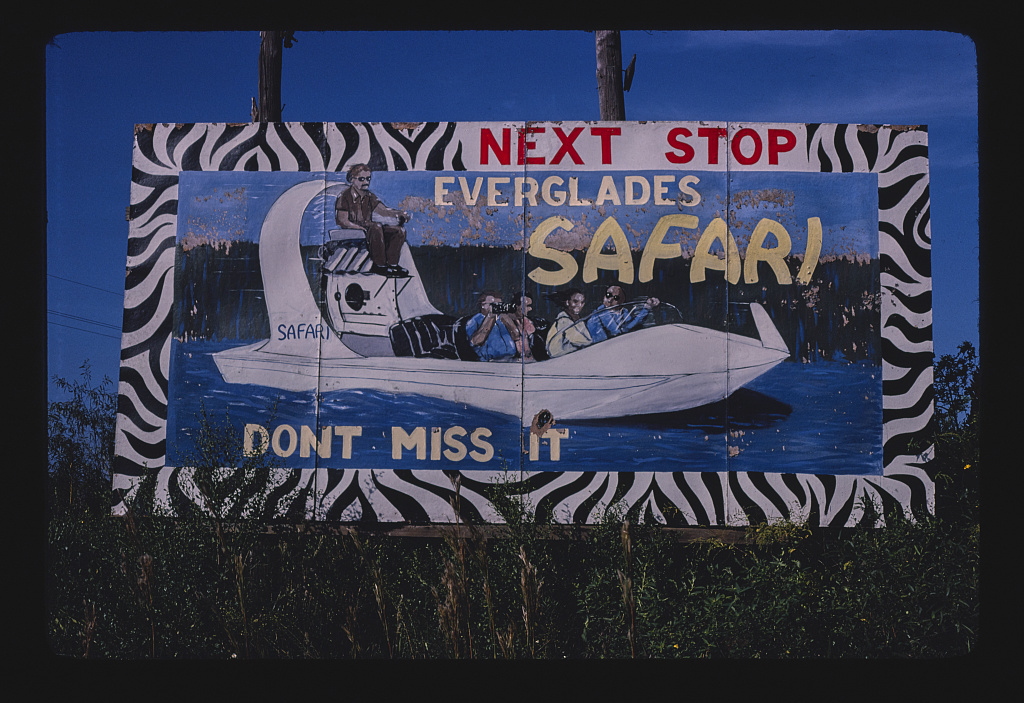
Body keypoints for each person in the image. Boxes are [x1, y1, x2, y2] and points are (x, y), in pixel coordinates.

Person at [335, 163, 412, 277]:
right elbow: (342, 221)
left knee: (399, 231)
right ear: (352, 179)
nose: (366, 182)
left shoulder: (369, 196)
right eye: (361, 179)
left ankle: (393, 265)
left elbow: (383, 210)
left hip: (369, 227)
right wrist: (360, 228)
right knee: (376, 227)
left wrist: (399, 213)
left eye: (368, 179)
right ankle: (379, 265)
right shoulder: (344, 196)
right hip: (352, 228)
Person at [586, 285, 660, 344]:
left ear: (622, 301)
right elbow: (602, 340)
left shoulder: (623, 311)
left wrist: (647, 308)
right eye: (608, 295)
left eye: (615, 297)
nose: (610, 300)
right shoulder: (597, 315)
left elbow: (630, 326)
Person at [465, 291, 517, 361]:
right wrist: (490, 317)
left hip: (510, 358)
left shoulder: (502, 318)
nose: (497, 307)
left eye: (500, 304)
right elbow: (476, 341)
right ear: (483, 305)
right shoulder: (475, 320)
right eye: (494, 305)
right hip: (489, 360)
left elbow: (516, 336)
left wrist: (509, 322)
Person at [546, 288, 593, 358]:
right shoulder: (563, 320)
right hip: (559, 357)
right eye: (575, 301)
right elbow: (577, 339)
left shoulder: (578, 320)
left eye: (582, 302)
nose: (579, 305)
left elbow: (587, 338)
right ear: (567, 302)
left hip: (572, 354)